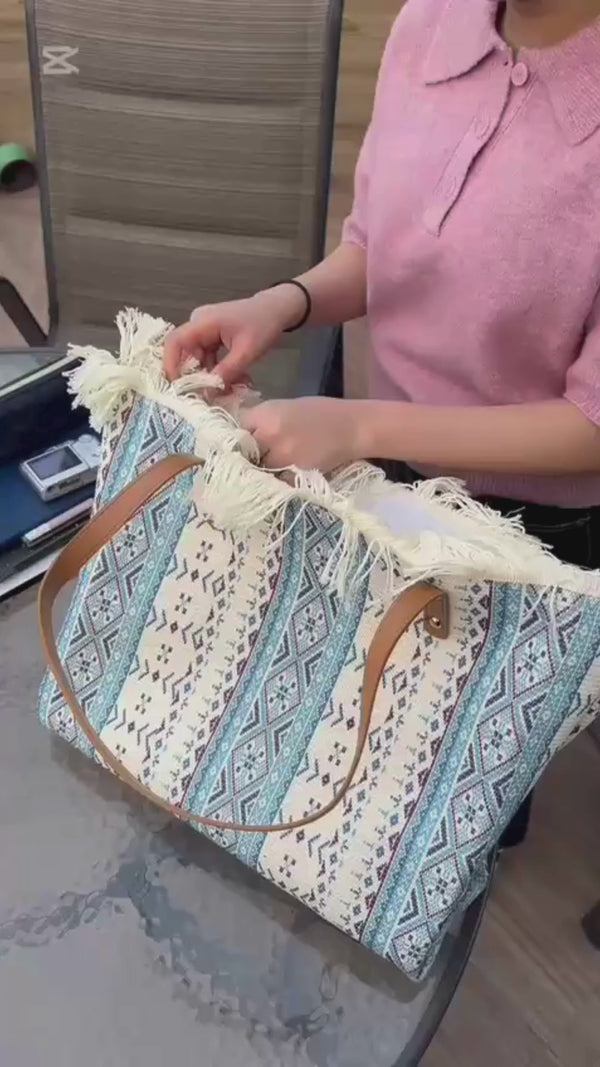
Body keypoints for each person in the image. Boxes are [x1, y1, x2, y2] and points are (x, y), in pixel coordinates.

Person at [164, 0, 600, 845]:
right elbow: (379, 244)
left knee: (453, 792)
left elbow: (592, 423)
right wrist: (282, 304)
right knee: (355, 726)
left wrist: (361, 427)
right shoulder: (431, 23)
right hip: (386, 473)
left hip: (528, 532)